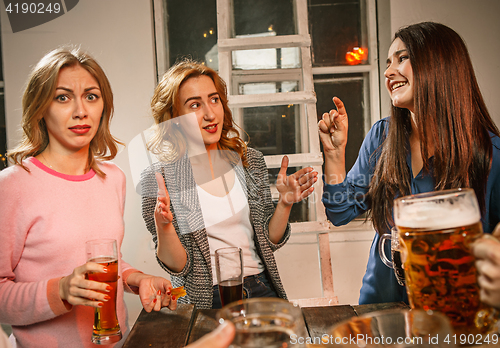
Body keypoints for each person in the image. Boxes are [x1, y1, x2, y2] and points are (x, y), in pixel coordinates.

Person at [0, 47, 178, 348]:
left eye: (91, 96)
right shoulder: (11, 186)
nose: (81, 111)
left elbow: (108, 263)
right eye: (63, 97)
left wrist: (137, 279)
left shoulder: (113, 179)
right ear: (40, 107)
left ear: (103, 107)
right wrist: (62, 290)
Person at [318, 22, 500, 304]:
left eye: (402, 58)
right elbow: (339, 211)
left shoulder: (491, 154)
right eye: (388, 62)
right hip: (382, 309)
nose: (388, 72)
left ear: (440, 65)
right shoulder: (382, 136)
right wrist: (334, 155)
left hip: (452, 319)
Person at [140, 59, 317, 309]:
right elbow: (179, 266)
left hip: (261, 288)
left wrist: (285, 204)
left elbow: (268, 241)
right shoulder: (159, 178)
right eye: (195, 105)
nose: (210, 114)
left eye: (214, 100)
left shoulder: (250, 161)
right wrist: (164, 226)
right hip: (206, 300)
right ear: (175, 117)